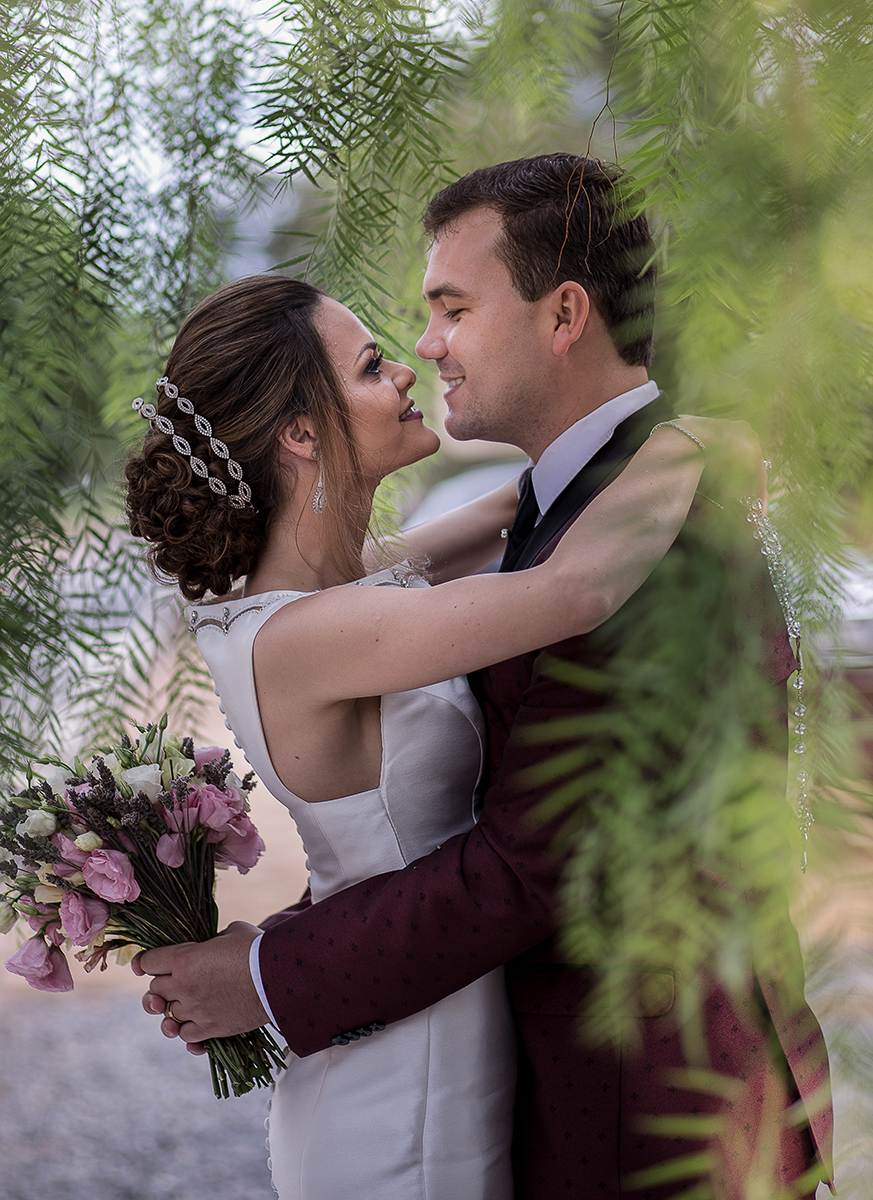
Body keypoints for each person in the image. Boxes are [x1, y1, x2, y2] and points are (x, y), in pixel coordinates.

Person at [130, 154, 832, 1198]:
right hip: (453, 1086)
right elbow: (556, 593)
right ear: (298, 436)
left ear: (563, 315)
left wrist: (272, 973)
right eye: (380, 357)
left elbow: (530, 865)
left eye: (450, 309)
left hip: (659, 1120)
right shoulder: (585, 513)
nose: (421, 349)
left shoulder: (643, 526)